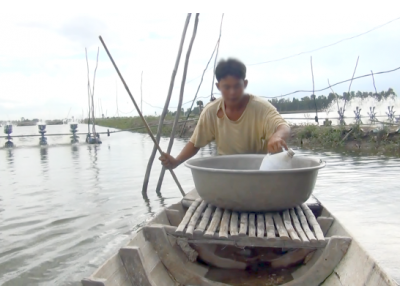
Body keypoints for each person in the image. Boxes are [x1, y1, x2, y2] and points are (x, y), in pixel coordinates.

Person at [160, 58, 290, 169]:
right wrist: (176, 161)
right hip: (226, 172)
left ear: (245, 84)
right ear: (218, 86)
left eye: (237, 86)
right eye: (226, 87)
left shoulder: (260, 108)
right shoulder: (211, 111)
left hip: (256, 171)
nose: (232, 92)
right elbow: (195, 143)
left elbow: (283, 126)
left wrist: (277, 136)